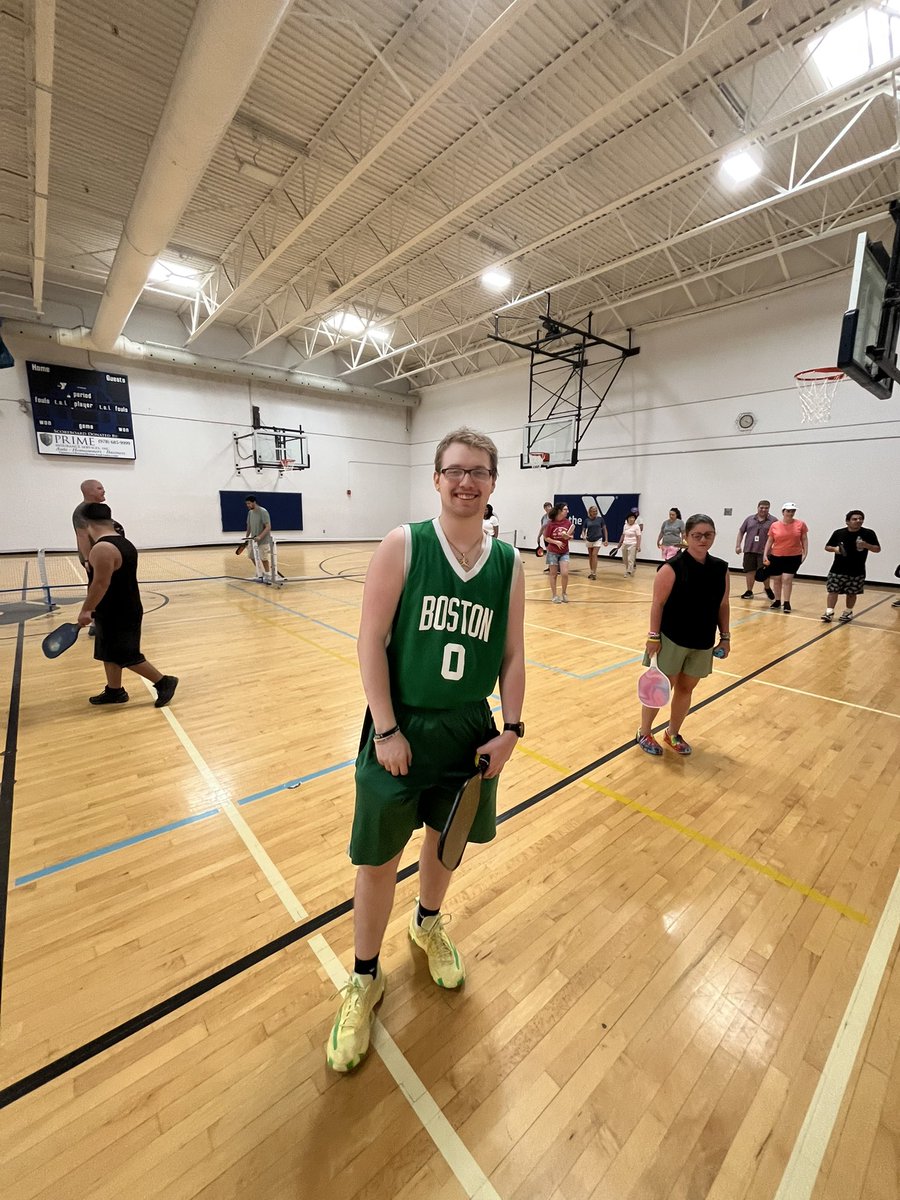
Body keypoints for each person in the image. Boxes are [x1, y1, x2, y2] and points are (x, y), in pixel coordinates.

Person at [326, 428, 525, 1074]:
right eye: (455, 470)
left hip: (469, 728)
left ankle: (427, 923)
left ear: (492, 483)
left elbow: (513, 654)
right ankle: (364, 977)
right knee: (377, 859)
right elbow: (369, 639)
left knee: (446, 843)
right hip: (402, 725)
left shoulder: (508, 563)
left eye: (479, 472)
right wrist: (386, 730)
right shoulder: (404, 544)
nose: (467, 482)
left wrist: (511, 729)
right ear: (436, 479)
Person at [636, 514, 730, 757]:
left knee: (686, 689)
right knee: (660, 688)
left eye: (708, 535)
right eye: (697, 535)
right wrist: (653, 636)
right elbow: (657, 604)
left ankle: (673, 733)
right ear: (686, 537)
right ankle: (644, 732)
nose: (703, 539)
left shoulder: (721, 568)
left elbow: (723, 605)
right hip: (672, 639)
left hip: (703, 641)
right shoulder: (672, 568)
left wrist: (725, 637)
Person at [76, 503, 178, 708]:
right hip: (119, 607)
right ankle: (115, 691)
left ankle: (163, 681)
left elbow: (100, 584)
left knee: (126, 655)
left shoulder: (102, 549)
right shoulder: (125, 543)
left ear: (87, 525)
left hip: (119, 611)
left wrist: (86, 609)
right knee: (107, 651)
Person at [72, 479, 125, 636]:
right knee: (97, 586)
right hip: (97, 558)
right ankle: (96, 621)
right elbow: (82, 536)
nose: (103, 491)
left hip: (109, 555)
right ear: (89, 491)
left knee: (110, 586)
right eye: (99, 488)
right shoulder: (81, 512)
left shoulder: (98, 510)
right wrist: (88, 559)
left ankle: (111, 617)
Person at [821, 510, 881, 622]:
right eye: (855, 519)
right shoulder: (838, 533)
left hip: (857, 569)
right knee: (833, 591)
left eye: (860, 519)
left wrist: (866, 545)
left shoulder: (868, 533)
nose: (858, 521)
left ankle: (848, 612)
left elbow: (877, 549)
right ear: (847, 521)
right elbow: (827, 547)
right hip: (838, 568)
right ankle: (829, 612)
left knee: (852, 593)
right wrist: (835, 549)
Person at [763, 503, 809, 613]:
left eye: (793, 511)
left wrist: (805, 553)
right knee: (777, 580)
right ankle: (777, 601)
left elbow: (804, 539)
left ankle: (787, 602)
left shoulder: (800, 524)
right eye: (788, 511)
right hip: (776, 556)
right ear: (783, 512)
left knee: (787, 579)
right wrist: (765, 554)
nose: (790, 513)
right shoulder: (775, 525)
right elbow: (770, 541)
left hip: (794, 556)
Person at [734, 500, 775, 600]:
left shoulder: (773, 521)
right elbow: (741, 531)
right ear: (758, 508)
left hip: (764, 552)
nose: (763, 510)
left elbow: (777, 535)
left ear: (769, 509)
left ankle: (767, 588)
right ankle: (749, 591)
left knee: (764, 572)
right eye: (761, 507)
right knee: (750, 571)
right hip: (749, 549)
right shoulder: (749, 519)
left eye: (766, 508)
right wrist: (738, 545)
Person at [544, 503, 575, 602]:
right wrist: (556, 542)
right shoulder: (551, 524)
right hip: (552, 552)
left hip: (564, 552)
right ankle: (554, 595)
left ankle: (564, 593)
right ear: (559, 511)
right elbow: (546, 538)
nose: (567, 511)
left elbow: (572, 536)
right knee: (553, 574)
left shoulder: (568, 523)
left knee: (565, 573)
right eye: (565, 509)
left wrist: (568, 537)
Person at [243, 496, 275, 581]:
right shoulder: (250, 513)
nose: (247, 505)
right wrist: (247, 538)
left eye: (249, 503)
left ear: (254, 502)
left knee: (263, 558)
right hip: (253, 540)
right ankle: (260, 571)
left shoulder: (263, 512)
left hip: (263, 540)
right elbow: (249, 526)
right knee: (251, 556)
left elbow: (268, 527)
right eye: (246, 504)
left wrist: (260, 536)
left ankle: (268, 575)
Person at [583, 505, 608, 579]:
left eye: (596, 511)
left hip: (598, 539)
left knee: (594, 555)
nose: (595, 512)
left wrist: (606, 539)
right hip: (589, 539)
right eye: (593, 511)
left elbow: (604, 529)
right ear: (590, 512)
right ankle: (591, 572)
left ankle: (594, 573)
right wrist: (583, 535)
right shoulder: (586, 520)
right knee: (590, 556)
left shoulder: (600, 519)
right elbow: (583, 530)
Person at [615, 512, 642, 576]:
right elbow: (623, 535)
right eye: (630, 518)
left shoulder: (636, 526)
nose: (632, 519)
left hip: (633, 544)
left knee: (630, 559)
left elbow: (639, 536)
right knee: (625, 559)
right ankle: (628, 569)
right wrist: (619, 544)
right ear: (627, 519)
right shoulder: (625, 525)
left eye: (633, 518)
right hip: (625, 543)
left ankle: (629, 571)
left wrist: (638, 546)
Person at [537, 501, 553, 571]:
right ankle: (550, 566)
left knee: (553, 552)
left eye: (549, 506)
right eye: (546, 507)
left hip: (552, 537)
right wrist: (539, 536)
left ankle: (556, 567)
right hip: (546, 537)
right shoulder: (544, 517)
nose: (547, 508)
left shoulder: (554, 517)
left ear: (551, 507)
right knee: (548, 552)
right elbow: (542, 528)